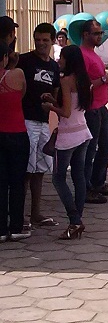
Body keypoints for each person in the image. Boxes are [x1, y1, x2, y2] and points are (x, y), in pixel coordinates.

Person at [41, 45, 93, 240]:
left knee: (58, 178)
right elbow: (75, 106)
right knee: (78, 176)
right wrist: (54, 101)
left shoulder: (66, 79)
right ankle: (77, 220)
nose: (58, 60)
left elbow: (66, 112)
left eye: (61, 57)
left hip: (68, 136)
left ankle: (74, 219)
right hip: (83, 131)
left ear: (68, 59)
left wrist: (50, 107)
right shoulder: (84, 79)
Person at [17, 22, 61, 229]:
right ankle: (19, 216)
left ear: (53, 40)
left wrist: (50, 101)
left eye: (45, 40)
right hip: (25, 121)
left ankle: (36, 214)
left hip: (44, 124)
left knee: (40, 169)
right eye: (38, 39)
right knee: (25, 171)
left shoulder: (53, 66)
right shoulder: (24, 60)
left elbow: (55, 94)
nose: (41, 43)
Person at [80, 19, 108, 204]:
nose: (100, 36)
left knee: (107, 145)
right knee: (90, 150)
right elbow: (83, 85)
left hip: (101, 107)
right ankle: (85, 188)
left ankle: (97, 181)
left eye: (101, 33)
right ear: (86, 35)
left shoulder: (93, 54)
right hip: (90, 109)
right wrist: (104, 79)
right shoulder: (82, 55)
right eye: (96, 33)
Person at [0, 42, 31, 242]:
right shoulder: (18, 74)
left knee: (0, 183)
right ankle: (16, 227)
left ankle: (1, 229)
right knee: (17, 182)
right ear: (5, 56)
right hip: (18, 133)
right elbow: (22, 95)